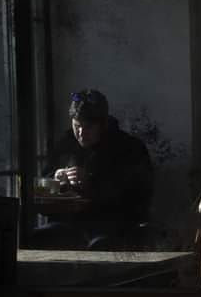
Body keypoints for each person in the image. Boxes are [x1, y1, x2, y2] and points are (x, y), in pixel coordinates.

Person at [32, 89, 153, 249]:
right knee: (37, 238)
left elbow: (139, 198)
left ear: (103, 124)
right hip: (68, 225)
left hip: (113, 226)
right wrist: (55, 178)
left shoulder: (130, 148)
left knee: (102, 246)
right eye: (77, 126)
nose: (81, 133)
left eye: (89, 127)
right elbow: (40, 190)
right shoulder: (66, 144)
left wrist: (92, 183)